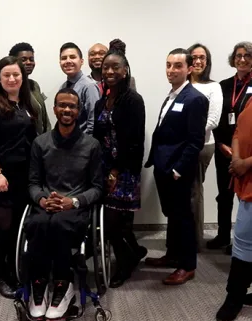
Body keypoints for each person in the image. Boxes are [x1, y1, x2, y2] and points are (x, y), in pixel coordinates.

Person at [26, 87, 103, 320]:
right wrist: (42, 199)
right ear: (55, 108)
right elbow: (33, 183)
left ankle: (63, 283)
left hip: (75, 207)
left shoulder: (92, 145)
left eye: (72, 106)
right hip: (46, 204)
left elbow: (97, 188)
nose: (67, 109)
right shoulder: (40, 143)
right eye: (62, 105)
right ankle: (38, 284)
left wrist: (74, 201)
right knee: (37, 223)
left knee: (59, 224)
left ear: (78, 111)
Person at [144, 48, 209, 285]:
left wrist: (178, 170)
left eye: (177, 66)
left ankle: (187, 265)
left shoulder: (195, 99)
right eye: (168, 65)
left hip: (177, 171)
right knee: (172, 215)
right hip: (163, 167)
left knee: (183, 218)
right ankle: (172, 255)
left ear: (190, 68)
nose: (171, 70)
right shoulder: (173, 95)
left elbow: (195, 142)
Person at [0, 56, 37, 298]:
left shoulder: (25, 103)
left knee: (17, 227)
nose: (12, 79)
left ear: (22, 78)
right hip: (0, 176)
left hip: (23, 175)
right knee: (3, 227)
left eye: (16, 75)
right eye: (7, 75)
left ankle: (13, 270)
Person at [93, 40, 147, 288]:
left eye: (115, 67)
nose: (110, 72)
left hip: (123, 170)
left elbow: (134, 141)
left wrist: (115, 170)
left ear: (125, 70)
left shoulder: (133, 100)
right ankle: (134, 251)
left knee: (114, 223)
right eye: (106, 67)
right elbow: (96, 137)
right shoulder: (100, 103)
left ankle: (125, 263)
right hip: (104, 169)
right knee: (113, 221)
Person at [208, 42, 252, 252]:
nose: (242, 59)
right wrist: (220, 144)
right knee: (223, 195)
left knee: (245, 196)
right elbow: (215, 117)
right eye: (238, 56)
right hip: (224, 148)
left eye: (247, 56)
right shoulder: (223, 86)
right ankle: (223, 235)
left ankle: (243, 240)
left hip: (247, 152)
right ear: (233, 59)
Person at [216, 97, 252, 321]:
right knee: (244, 241)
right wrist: (237, 159)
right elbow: (238, 130)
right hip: (246, 178)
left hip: (247, 170)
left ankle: (234, 297)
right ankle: (235, 295)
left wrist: (245, 163)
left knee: (244, 240)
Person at [188, 43, 223, 250]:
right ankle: (181, 239)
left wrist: (189, 135)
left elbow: (213, 120)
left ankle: (194, 242)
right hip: (181, 146)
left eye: (203, 58)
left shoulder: (213, 87)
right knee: (183, 194)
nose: (198, 61)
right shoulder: (182, 84)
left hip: (201, 146)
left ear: (207, 62)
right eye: (194, 57)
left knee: (194, 193)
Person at [9, 42, 51, 135]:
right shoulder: (12, 89)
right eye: (23, 59)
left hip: (42, 142)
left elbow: (44, 115)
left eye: (31, 59)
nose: (29, 62)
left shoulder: (34, 85)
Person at [59, 42, 100, 134]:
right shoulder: (63, 87)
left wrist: (87, 146)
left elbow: (93, 123)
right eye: (64, 58)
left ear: (81, 61)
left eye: (72, 57)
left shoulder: (89, 86)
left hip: (83, 144)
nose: (68, 61)